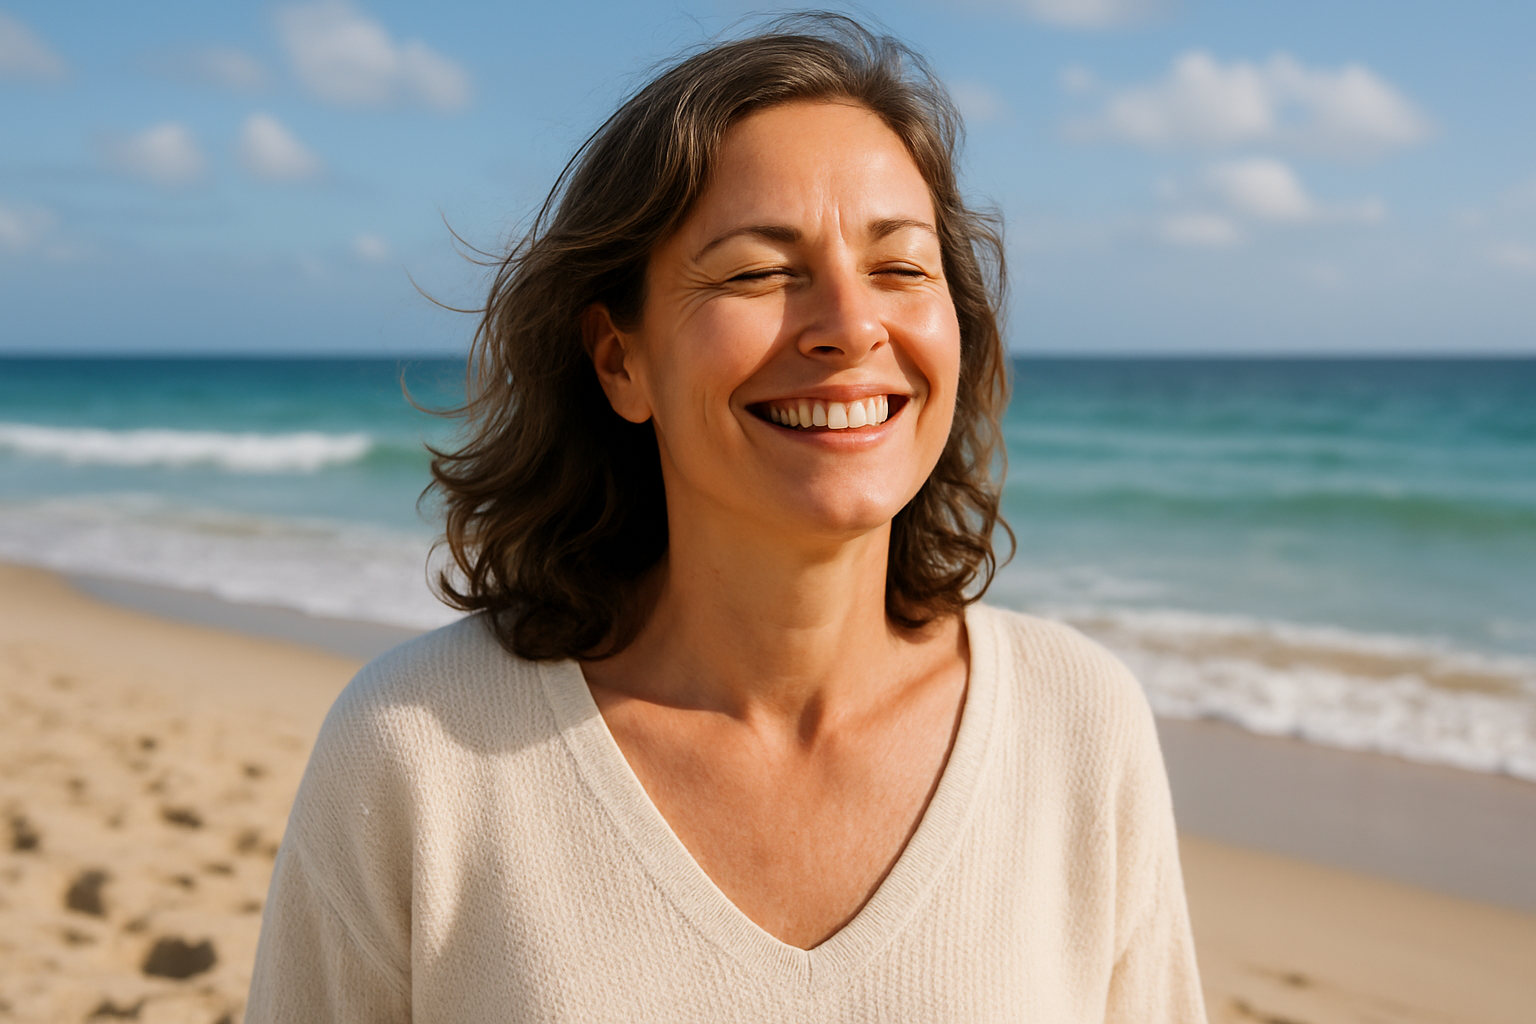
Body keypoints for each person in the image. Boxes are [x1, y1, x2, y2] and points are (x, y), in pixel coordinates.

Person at [246, 14, 1206, 1022]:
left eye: (901, 266)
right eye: (758, 271)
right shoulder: (416, 751)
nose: (849, 325)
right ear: (621, 361)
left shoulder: (1079, 726)